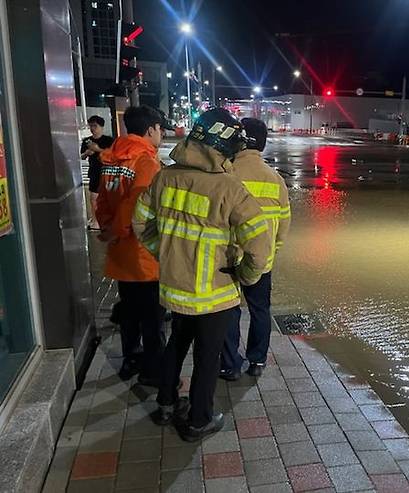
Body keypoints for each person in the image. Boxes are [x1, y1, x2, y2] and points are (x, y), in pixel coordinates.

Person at [133, 108, 272, 441]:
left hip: (174, 288)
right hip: (214, 294)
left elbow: (140, 223)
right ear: (219, 145)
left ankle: (166, 405)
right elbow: (260, 247)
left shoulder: (164, 177)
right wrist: (247, 276)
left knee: (176, 345)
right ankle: (199, 421)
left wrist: (163, 254)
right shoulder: (229, 189)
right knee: (207, 357)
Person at [96, 105, 168, 385]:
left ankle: (131, 361)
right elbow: (136, 207)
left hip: (121, 256)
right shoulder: (146, 162)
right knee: (152, 320)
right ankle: (153, 372)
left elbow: (103, 200)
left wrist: (107, 229)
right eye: (160, 129)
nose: (161, 134)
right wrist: (117, 231)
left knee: (129, 314)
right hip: (144, 256)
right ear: (150, 130)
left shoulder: (112, 159)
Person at [219, 118, 290, 380]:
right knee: (260, 310)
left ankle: (229, 365)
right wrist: (271, 251)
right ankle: (257, 360)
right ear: (262, 143)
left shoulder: (226, 174)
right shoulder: (276, 180)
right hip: (262, 261)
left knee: (229, 310)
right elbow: (284, 225)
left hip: (227, 257)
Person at [81, 115, 114, 230]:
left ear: (101, 126)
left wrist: (97, 149)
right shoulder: (86, 141)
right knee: (93, 197)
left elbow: (113, 155)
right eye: (91, 126)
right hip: (94, 172)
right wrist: (86, 153)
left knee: (108, 198)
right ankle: (96, 221)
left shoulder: (109, 140)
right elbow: (81, 156)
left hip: (108, 172)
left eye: (95, 126)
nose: (93, 128)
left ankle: (108, 220)